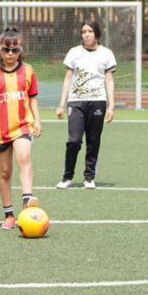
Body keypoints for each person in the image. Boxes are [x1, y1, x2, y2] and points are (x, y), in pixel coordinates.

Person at [0, 28, 42, 230]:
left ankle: (27, 200)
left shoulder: (29, 71)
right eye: (6, 49)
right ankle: (8, 214)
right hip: (0, 130)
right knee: (5, 172)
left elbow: (32, 98)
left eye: (14, 50)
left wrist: (37, 120)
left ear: (21, 50)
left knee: (24, 157)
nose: (10, 54)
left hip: (23, 125)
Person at [55, 20, 116, 189]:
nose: (86, 34)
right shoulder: (74, 52)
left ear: (96, 33)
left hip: (98, 101)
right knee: (74, 141)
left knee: (93, 140)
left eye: (89, 31)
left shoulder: (107, 54)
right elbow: (68, 79)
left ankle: (89, 177)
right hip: (76, 102)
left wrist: (111, 106)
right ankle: (67, 176)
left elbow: (109, 81)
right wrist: (61, 104)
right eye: (83, 32)